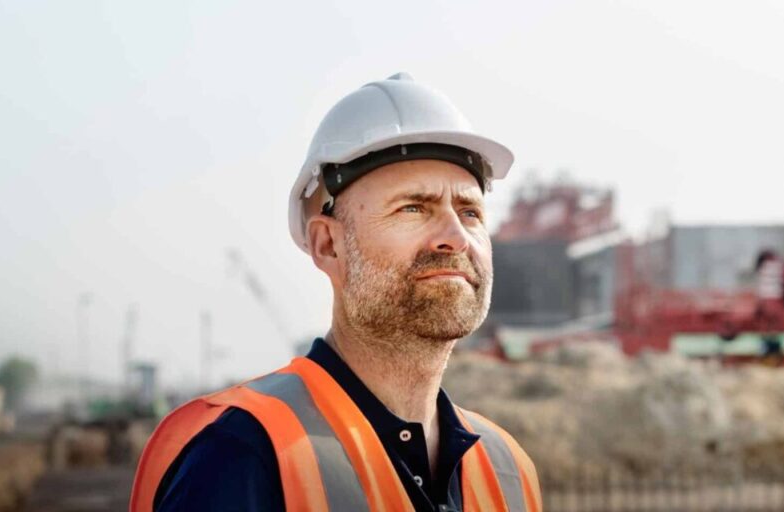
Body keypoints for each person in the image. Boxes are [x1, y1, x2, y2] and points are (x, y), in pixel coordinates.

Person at [129, 73, 541, 512]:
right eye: (413, 207)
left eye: (470, 212)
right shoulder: (245, 455)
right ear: (328, 245)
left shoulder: (508, 470)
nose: (456, 237)